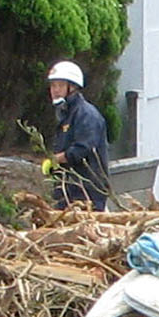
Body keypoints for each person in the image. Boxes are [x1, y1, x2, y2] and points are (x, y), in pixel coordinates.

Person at [46, 60, 110, 211]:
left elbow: (82, 148)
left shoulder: (86, 114)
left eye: (60, 85)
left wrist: (55, 159)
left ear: (73, 87)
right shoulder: (65, 114)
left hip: (87, 190)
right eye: (53, 85)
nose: (55, 90)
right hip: (67, 188)